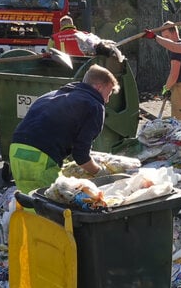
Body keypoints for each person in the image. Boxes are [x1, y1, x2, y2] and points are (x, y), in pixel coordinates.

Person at [9, 65, 119, 193]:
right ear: (99, 87)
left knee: (30, 202)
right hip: (40, 157)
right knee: (52, 206)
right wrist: (101, 173)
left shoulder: (54, 94)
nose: (107, 99)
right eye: (108, 93)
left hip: (16, 150)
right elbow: (81, 156)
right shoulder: (94, 105)